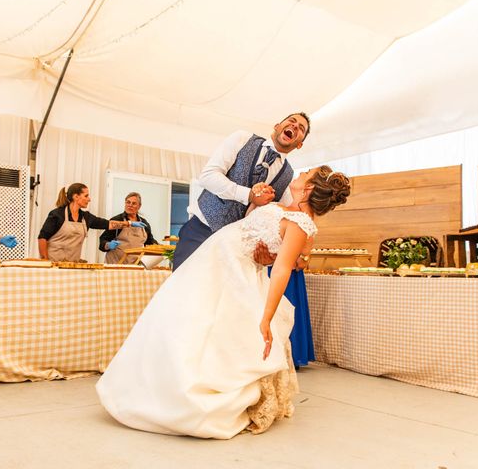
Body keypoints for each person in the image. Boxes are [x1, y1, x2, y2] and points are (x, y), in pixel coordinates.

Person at [96, 166, 350, 439]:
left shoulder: (302, 224)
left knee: (214, 329)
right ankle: (155, 384)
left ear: (310, 188)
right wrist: (255, 203)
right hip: (214, 259)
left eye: (306, 174)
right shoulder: (283, 207)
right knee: (182, 318)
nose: (299, 174)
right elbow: (255, 227)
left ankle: (194, 397)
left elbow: (283, 269)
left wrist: (266, 318)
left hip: (235, 270)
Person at [172, 112, 315, 368]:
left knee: (219, 310)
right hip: (201, 230)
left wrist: (268, 254)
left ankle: (204, 369)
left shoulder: (289, 175)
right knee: (182, 297)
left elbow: (278, 221)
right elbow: (208, 175)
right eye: (291, 121)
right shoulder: (242, 138)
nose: (295, 126)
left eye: (301, 128)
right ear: (277, 125)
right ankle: (174, 363)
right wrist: (248, 194)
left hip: (237, 248)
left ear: (299, 143)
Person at [38, 183, 146, 262]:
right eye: (86, 196)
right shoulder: (57, 214)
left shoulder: (86, 217)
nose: (89, 199)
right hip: (53, 264)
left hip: (71, 265)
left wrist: (129, 224)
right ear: (76, 197)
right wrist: (45, 261)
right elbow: (42, 238)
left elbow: (107, 224)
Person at [98, 192, 158, 264]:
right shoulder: (118, 220)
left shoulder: (144, 223)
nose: (130, 205)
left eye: (134, 203)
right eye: (128, 202)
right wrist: (108, 245)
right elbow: (102, 241)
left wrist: (160, 247)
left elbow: (150, 242)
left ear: (139, 206)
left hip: (135, 265)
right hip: (115, 263)